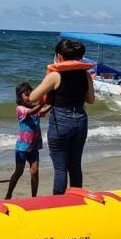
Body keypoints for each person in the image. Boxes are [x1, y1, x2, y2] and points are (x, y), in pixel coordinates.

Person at [29, 38, 95, 195]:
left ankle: (59, 203)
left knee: (60, 168)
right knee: (75, 165)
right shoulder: (85, 75)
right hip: (80, 119)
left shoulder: (55, 76)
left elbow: (32, 97)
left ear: (59, 56)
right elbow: (91, 100)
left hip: (61, 121)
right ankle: (77, 200)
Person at [5, 83, 49, 199]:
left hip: (34, 147)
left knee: (34, 172)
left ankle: (34, 197)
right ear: (19, 97)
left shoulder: (34, 107)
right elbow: (32, 112)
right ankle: (9, 194)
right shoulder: (20, 109)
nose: (29, 96)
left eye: (31, 93)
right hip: (22, 148)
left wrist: (52, 103)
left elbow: (42, 111)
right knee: (18, 172)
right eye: (26, 94)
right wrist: (42, 103)